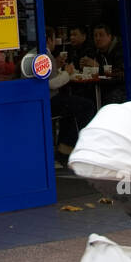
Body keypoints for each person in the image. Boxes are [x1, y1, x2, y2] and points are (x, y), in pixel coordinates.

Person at [45, 26, 93, 167]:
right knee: (86, 106)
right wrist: (67, 72)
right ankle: (77, 147)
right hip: (50, 100)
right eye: (54, 39)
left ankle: (65, 150)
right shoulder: (45, 56)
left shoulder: (46, 55)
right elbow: (51, 84)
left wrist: (60, 69)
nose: (56, 42)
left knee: (72, 109)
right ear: (49, 40)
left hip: (51, 99)